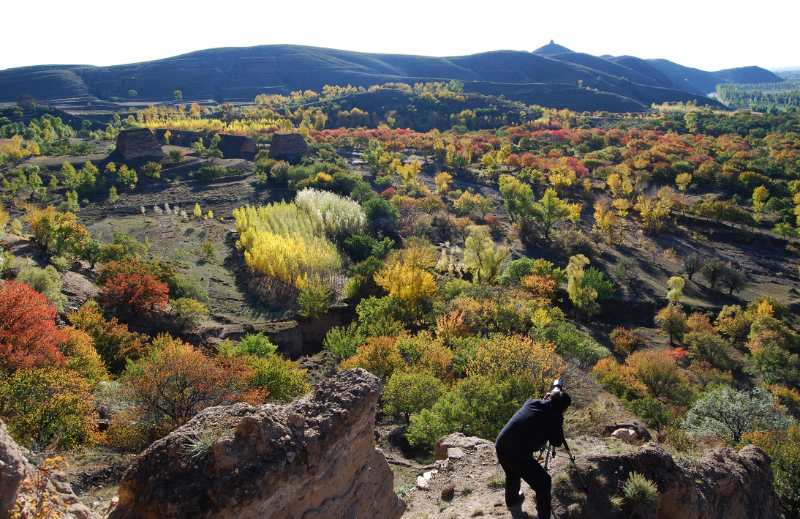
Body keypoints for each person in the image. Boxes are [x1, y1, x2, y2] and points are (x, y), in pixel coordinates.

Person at [495, 389, 572, 518]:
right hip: (517, 453)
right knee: (544, 482)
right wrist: (559, 419)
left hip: (501, 444)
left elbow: (535, 416)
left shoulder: (532, 402)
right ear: (563, 408)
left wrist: (547, 401)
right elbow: (557, 442)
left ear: (550, 398)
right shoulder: (554, 417)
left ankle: (512, 499)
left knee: (512, 472)